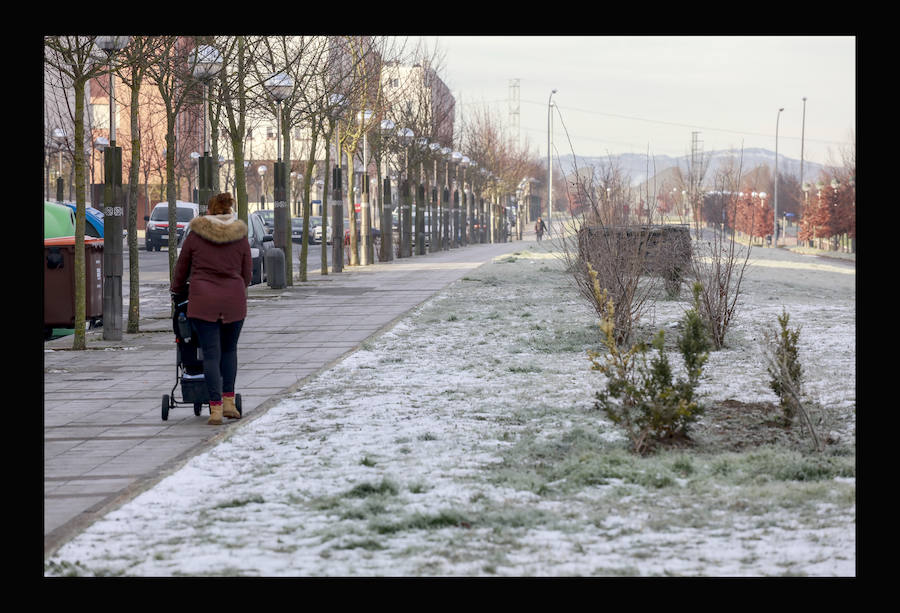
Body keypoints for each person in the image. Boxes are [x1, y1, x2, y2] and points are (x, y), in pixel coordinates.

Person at [171, 193, 252, 425]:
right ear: (230, 211)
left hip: (203, 302)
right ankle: (229, 404)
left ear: (210, 210)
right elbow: (247, 273)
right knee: (229, 351)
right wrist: (236, 285)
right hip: (233, 302)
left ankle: (215, 410)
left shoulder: (196, 236)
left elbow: (181, 268)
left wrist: (177, 290)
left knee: (211, 353)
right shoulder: (240, 236)